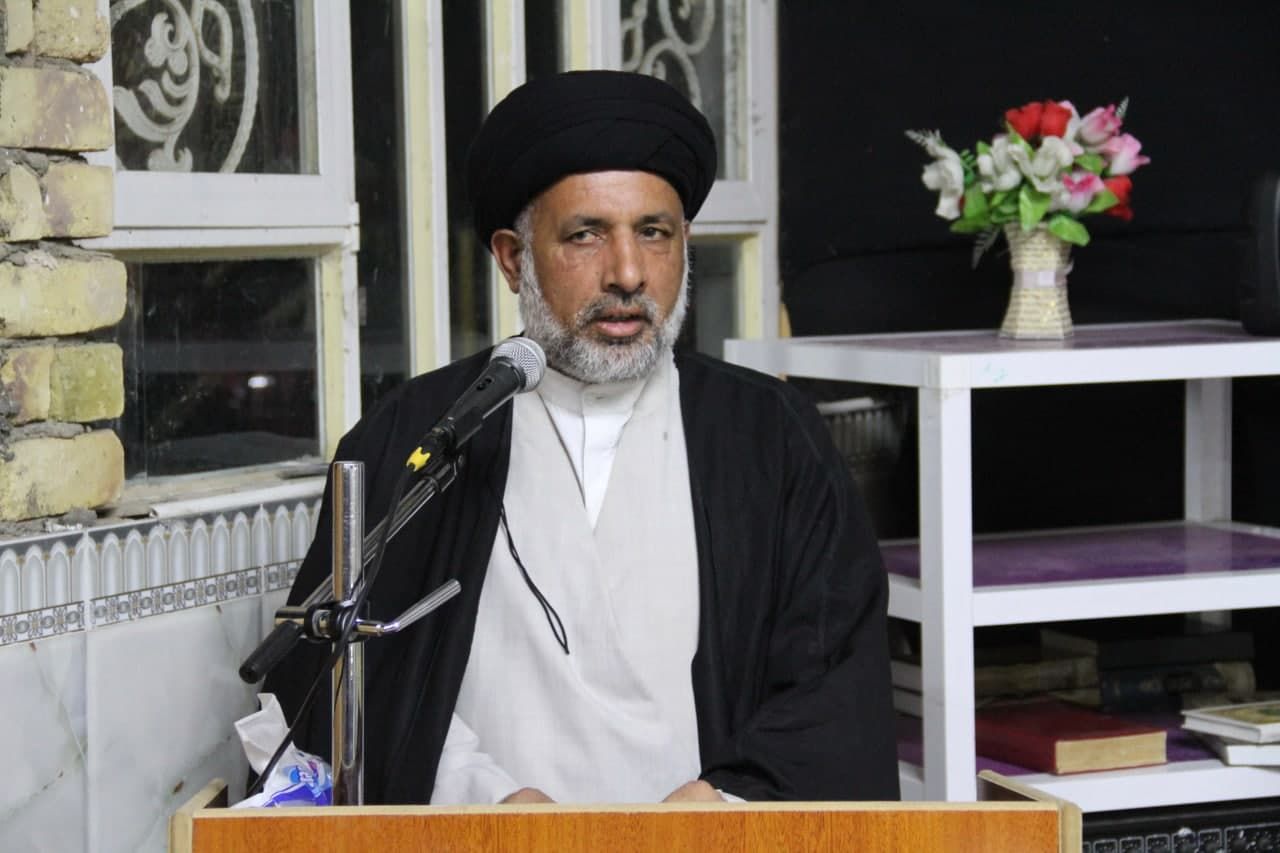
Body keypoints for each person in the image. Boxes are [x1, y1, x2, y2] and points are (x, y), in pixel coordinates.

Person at [266, 70, 898, 805]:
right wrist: (482, 797)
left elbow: (834, 685)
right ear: (514, 258)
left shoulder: (770, 437)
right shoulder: (418, 434)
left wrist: (723, 804)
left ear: (685, 244)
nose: (627, 274)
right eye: (586, 235)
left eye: (654, 233)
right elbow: (344, 690)